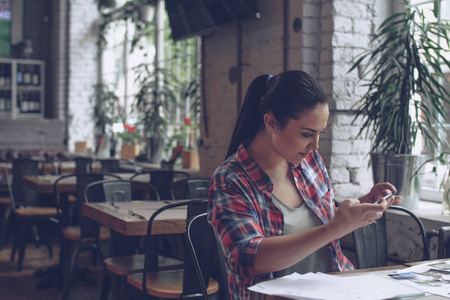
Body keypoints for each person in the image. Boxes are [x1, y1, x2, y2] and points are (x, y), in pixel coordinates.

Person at [207, 70, 402, 300]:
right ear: (271, 123)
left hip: (336, 290)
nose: (315, 145)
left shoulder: (309, 162)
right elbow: (248, 259)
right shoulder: (231, 179)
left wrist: (360, 207)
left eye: (320, 133)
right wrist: (337, 227)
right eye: (307, 133)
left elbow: (316, 225)